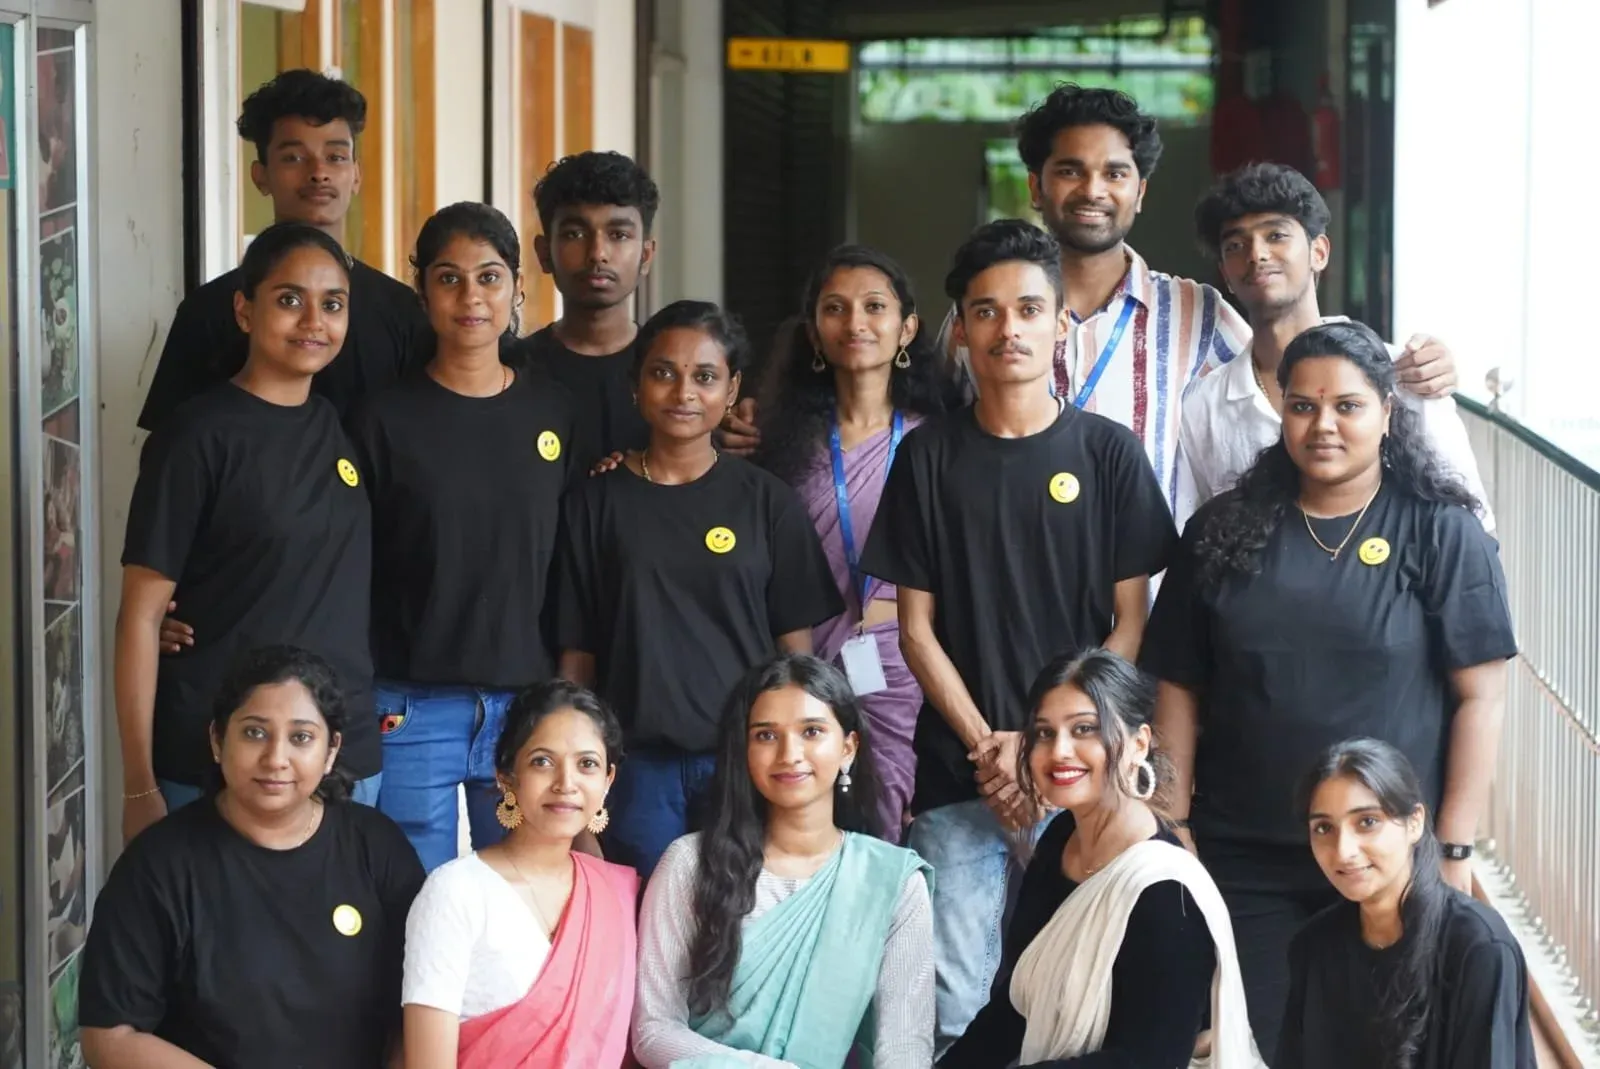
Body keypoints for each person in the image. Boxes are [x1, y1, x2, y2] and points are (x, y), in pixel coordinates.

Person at [718, 86, 1460, 515]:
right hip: (1006, 600)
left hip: (1154, 614)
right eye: (1069, 171)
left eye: (1114, 172)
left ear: (1140, 190)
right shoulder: (976, 320)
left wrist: (1406, 365)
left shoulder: (1198, 314)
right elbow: (895, 413)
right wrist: (770, 418)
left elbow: (1295, 361)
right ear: (1037, 187)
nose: (1092, 189)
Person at [1141, 321, 1518, 1053]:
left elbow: (1482, 695)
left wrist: (1456, 847)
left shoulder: (1441, 531)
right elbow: (1178, 686)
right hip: (1248, 856)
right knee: (1275, 1043)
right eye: (1303, 405)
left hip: (1391, 859)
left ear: (1387, 409)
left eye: (1348, 405)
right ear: (1280, 410)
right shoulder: (1220, 531)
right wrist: (1173, 824)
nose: (1324, 425)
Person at [860, 218, 1178, 1052]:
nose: (1011, 329)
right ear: (959, 328)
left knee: (1085, 985)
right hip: (961, 772)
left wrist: (1054, 743)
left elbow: (1130, 620)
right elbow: (916, 630)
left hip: (1083, 773)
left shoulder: (1107, 453)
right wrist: (994, 747)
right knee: (961, 997)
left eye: (1030, 309)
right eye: (988, 311)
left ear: (1060, 321)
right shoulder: (927, 459)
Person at [556, 300, 843, 880]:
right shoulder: (596, 503)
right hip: (635, 773)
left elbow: (798, 661)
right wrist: (581, 799)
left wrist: (799, 768)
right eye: (663, 372)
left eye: (705, 376)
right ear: (636, 385)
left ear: (732, 389)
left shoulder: (766, 502)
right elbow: (576, 662)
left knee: (742, 932)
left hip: (743, 766)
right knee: (644, 944)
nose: (684, 391)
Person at [115, 223, 380, 844]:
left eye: (332, 304)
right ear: (244, 309)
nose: (313, 319)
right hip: (219, 759)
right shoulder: (196, 437)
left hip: (340, 758)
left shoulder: (341, 430)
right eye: (289, 299)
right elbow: (139, 619)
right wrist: (137, 785)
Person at [348, 202, 577, 872]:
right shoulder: (381, 418)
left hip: (526, 703)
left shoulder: (552, 410)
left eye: (488, 276)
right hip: (409, 704)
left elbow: (576, 554)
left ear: (517, 290)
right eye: (449, 278)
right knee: (412, 895)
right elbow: (347, 554)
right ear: (421, 292)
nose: (471, 296)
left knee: (517, 901)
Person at [80, 645, 425, 1069]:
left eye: (301, 737)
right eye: (254, 732)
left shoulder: (377, 847)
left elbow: (423, 1007)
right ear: (217, 739)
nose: (275, 758)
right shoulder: (157, 865)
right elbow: (109, 1034)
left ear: (331, 750)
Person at [942, 649, 1263, 1069]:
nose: (1060, 751)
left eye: (1084, 730)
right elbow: (1016, 1007)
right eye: (1043, 733)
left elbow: (1151, 1060)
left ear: (1139, 744)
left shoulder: (1168, 891)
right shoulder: (1060, 838)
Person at [633, 654, 934, 1068]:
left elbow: (904, 1048)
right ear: (745, 750)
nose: (790, 754)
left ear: (848, 747)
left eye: (812, 731)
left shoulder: (893, 882)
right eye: (766, 736)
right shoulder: (690, 863)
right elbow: (653, 1030)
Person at [751, 244, 948, 842]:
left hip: (909, 663)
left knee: (902, 820)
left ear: (907, 326)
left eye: (874, 307)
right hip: (808, 660)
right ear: (814, 331)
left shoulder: (940, 442)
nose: (855, 322)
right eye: (835, 308)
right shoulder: (779, 445)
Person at [1179, 162, 1491, 531]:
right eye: (1235, 245)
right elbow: (1198, 540)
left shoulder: (1402, 372)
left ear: (1319, 252)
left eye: (1276, 236)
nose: (1256, 254)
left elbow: (1473, 525)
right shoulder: (1204, 406)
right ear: (1225, 273)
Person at [138, 68, 427, 432]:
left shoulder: (401, 312)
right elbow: (173, 460)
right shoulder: (210, 310)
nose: (318, 172)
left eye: (335, 157)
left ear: (356, 175)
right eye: (294, 158)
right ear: (260, 176)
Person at [401, 680, 637, 1068]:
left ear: (607, 781)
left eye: (587, 764)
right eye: (542, 761)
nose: (566, 783)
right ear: (506, 776)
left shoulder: (617, 894)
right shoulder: (455, 892)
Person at [1279, 738, 1535, 1069]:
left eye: (1367, 822)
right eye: (1324, 828)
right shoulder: (1313, 947)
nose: (1343, 851)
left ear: (1414, 822)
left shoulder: (1479, 946)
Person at [514, 150, 659, 472]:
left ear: (646, 255)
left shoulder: (676, 377)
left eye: (618, 234)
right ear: (543, 253)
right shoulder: (510, 371)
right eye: (574, 234)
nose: (597, 253)